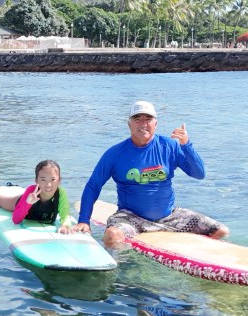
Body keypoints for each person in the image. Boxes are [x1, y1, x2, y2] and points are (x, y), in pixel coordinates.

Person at [75, 100, 228, 248]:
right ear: (129, 124)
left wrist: (186, 145)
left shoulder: (170, 146)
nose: (143, 123)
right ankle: (127, 267)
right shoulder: (115, 153)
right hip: (131, 219)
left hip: (170, 218)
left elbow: (199, 174)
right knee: (112, 236)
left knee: (220, 231)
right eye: (137, 119)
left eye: (148, 119)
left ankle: (191, 256)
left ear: (156, 123)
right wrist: (84, 220)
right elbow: (93, 186)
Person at [0, 160, 75, 234]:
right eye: (43, 180)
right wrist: (28, 203)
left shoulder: (61, 193)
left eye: (53, 180)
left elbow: (65, 214)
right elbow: (16, 220)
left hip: (40, 215)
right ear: (36, 181)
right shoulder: (31, 191)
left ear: (59, 180)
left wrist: (65, 225)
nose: (48, 185)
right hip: (21, 203)